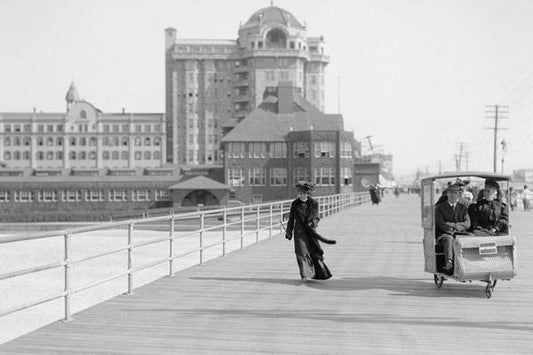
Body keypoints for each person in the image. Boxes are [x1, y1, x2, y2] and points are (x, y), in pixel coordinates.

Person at [285, 181, 333, 282]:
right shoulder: (295, 204)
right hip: (299, 233)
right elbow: (291, 219)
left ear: (308, 194)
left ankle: (316, 273)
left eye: (303, 193)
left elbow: (316, 218)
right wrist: (289, 232)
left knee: (313, 253)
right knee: (301, 253)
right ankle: (304, 275)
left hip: (311, 233)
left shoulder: (313, 203)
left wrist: (313, 223)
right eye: (300, 193)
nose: (301, 195)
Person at [434, 183, 471, 273]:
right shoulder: (440, 208)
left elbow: (467, 223)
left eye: (455, 193)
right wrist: (451, 228)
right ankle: (449, 261)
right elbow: (440, 223)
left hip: (458, 232)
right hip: (444, 234)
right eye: (450, 193)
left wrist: (455, 226)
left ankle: (469, 262)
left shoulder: (463, 208)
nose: (453, 195)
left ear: (459, 194)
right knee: (449, 238)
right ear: (447, 194)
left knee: (471, 236)